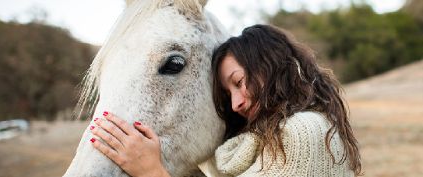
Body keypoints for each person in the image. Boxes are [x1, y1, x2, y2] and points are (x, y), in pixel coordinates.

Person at [89, 24, 362, 177]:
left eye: (239, 82)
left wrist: (151, 171)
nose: (235, 104)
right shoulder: (255, 147)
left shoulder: (304, 130)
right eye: (228, 94)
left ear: (273, 66)